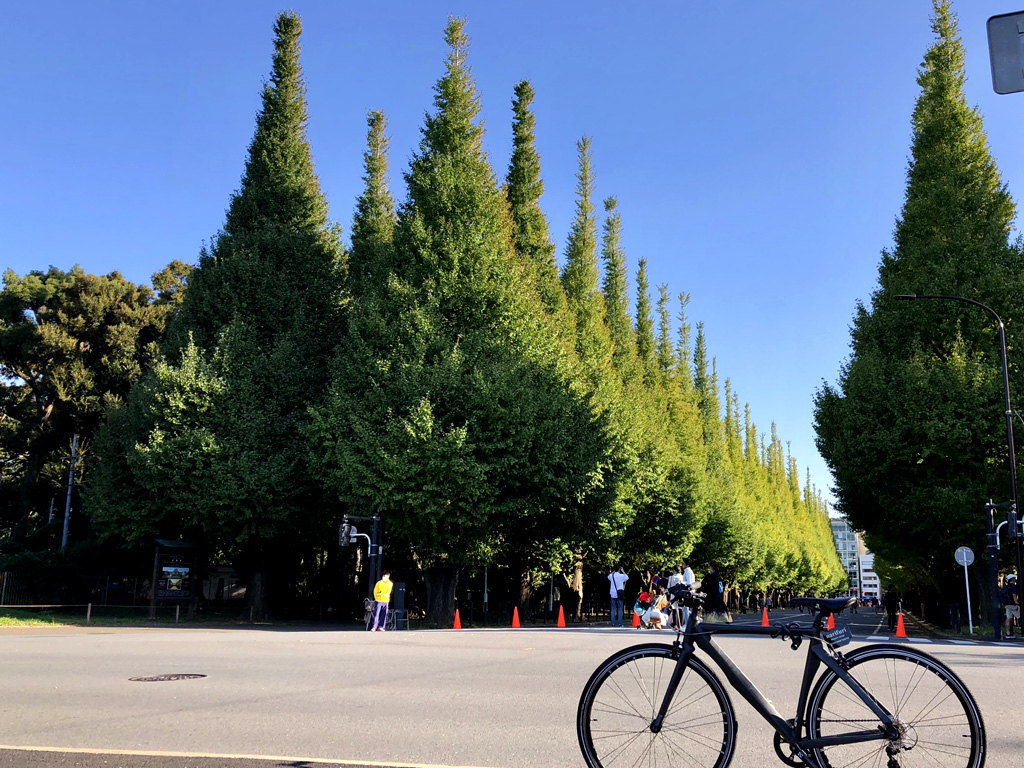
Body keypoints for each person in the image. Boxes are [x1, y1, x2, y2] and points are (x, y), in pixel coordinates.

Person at [1002, 574, 1020, 639]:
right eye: (1014, 578)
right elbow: (1014, 595)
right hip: (1013, 604)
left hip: (1007, 605)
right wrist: (1017, 603)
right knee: (1020, 616)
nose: (1015, 579)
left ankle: (1008, 633)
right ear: (1012, 579)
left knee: (1008, 618)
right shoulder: (1013, 587)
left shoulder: (1006, 587)